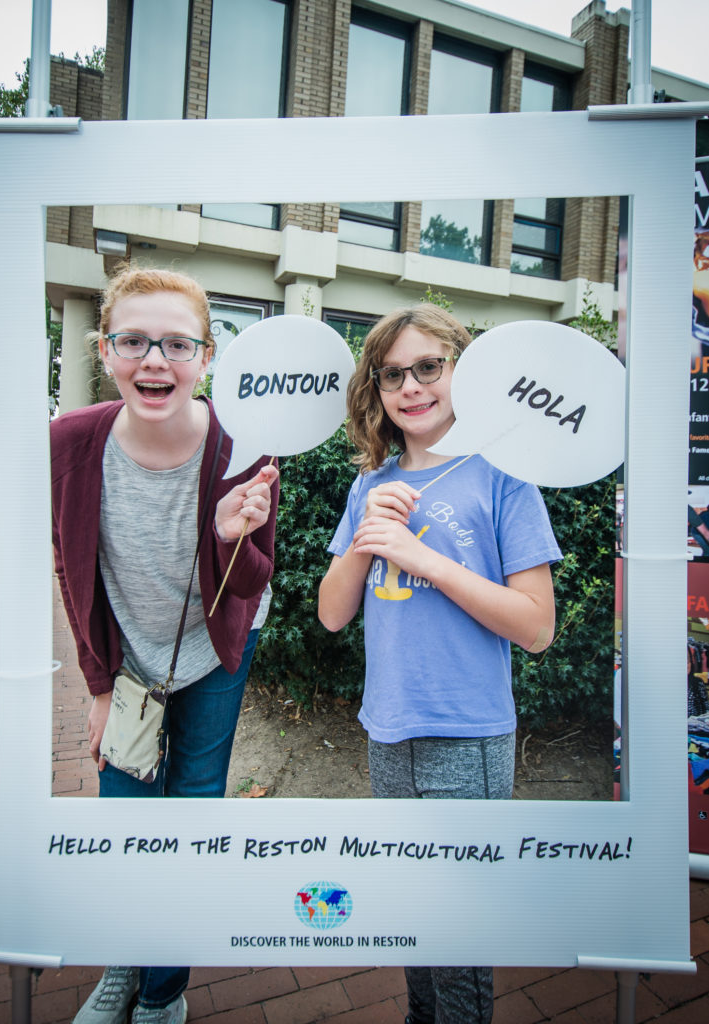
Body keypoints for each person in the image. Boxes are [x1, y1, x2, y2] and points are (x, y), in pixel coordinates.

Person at [318, 305, 561, 1024]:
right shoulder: (370, 483)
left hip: (466, 733)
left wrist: (422, 557)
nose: (411, 387)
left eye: (429, 366)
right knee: (411, 906)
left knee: (458, 927)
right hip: (388, 729)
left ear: (464, 369)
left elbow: (537, 627)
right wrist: (369, 534)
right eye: (391, 373)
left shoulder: (504, 477)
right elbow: (331, 613)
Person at [51, 266, 279, 1024]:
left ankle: (161, 991)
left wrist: (231, 534)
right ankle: (125, 960)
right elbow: (70, 565)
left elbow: (253, 578)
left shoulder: (244, 442)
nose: (155, 360)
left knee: (192, 803)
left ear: (205, 357)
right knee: (125, 812)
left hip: (216, 647)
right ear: (105, 350)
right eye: (134, 341)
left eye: (177, 344)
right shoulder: (70, 441)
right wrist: (98, 685)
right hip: (128, 657)